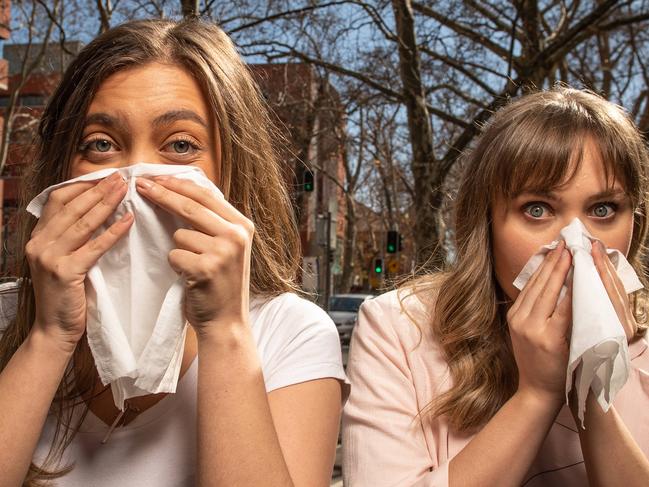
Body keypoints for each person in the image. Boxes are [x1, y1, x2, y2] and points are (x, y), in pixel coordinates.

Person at [0, 18, 346, 487]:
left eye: (180, 145)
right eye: (101, 144)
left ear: (230, 172)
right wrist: (49, 335)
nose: (135, 178)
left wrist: (224, 333)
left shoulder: (289, 334)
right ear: (63, 166)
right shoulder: (8, 320)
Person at [342, 88, 649, 486]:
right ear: (486, 225)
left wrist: (590, 376)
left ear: (634, 225)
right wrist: (537, 394)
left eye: (602, 210)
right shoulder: (399, 329)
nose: (576, 242)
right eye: (537, 209)